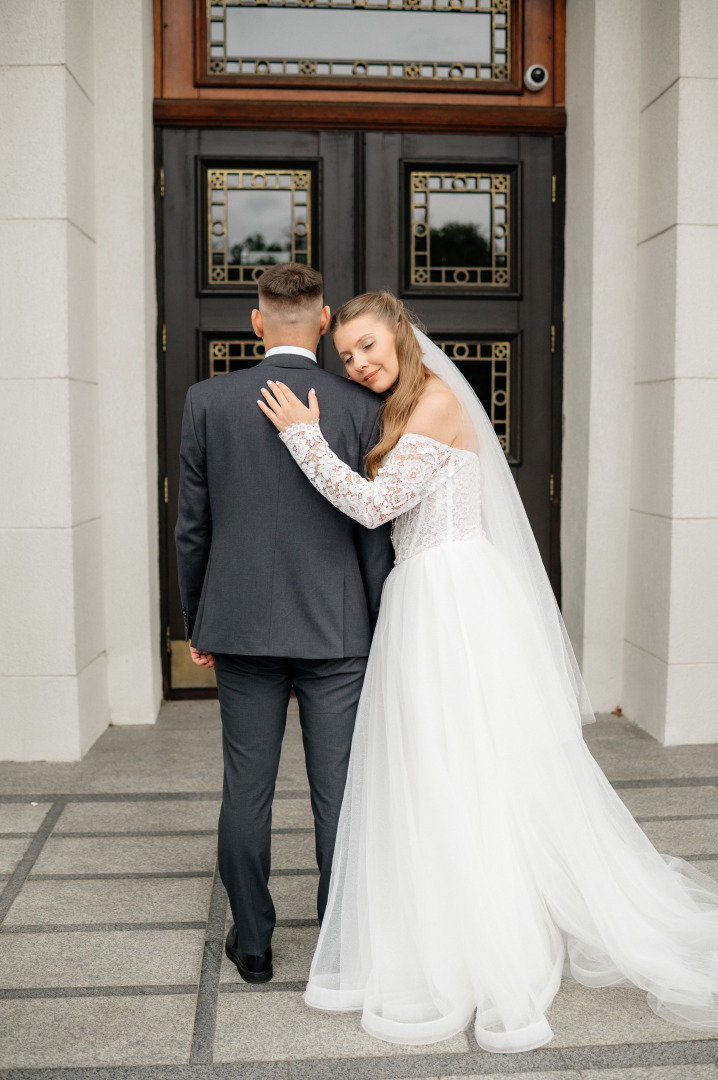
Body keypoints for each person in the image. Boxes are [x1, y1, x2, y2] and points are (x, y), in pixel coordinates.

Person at [256, 290, 718, 1052]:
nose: (358, 362)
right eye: (346, 356)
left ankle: (486, 935)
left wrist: (306, 437)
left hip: (451, 602)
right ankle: (453, 914)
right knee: (441, 766)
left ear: (400, 334)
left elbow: (373, 508)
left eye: (368, 346)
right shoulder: (408, 406)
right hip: (426, 594)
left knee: (462, 763)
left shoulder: (435, 403)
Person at [175, 266, 394, 985]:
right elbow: (373, 531)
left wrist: (197, 617)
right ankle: (339, 942)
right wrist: (375, 622)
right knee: (340, 791)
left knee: (247, 787)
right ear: (325, 321)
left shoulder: (206, 401)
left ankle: (256, 946)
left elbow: (192, 528)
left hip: (238, 626)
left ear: (257, 321)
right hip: (336, 633)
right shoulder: (359, 404)